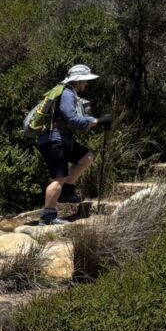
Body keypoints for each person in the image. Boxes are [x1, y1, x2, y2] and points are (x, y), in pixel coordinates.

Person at [36, 64, 110, 225]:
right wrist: (95, 121)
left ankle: (67, 190)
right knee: (58, 178)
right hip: (55, 140)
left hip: (61, 139)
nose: (87, 84)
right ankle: (47, 216)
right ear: (79, 80)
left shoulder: (66, 92)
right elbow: (73, 120)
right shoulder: (67, 93)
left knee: (87, 157)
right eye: (85, 81)